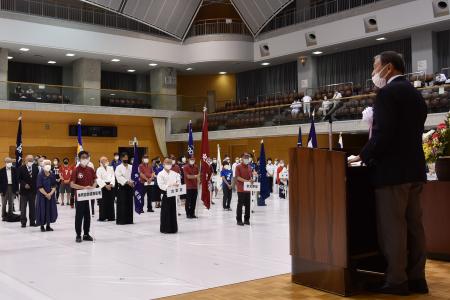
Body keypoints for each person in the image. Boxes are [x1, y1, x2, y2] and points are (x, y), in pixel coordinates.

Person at [348, 51, 428, 296]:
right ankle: (417, 279)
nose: (373, 73)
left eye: (375, 67)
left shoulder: (387, 93)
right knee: (415, 227)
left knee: (393, 229)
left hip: (392, 174)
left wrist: (362, 156)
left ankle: (396, 280)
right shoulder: (416, 94)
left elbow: (383, 134)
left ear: (389, 68)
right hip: (415, 170)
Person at [70, 151, 96, 243]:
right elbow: (72, 184)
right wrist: (84, 188)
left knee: (88, 216)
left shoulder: (91, 169)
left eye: (86, 157)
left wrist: (93, 186)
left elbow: (95, 180)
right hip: (80, 197)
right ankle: (78, 234)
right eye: (83, 157)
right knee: (79, 216)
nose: (85, 159)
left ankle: (86, 234)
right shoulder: (76, 170)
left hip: (89, 196)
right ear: (79, 159)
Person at [157, 158, 180, 234]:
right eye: (167, 163)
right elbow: (161, 185)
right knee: (165, 212)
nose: (168, 164)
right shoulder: (160, 174)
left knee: (173, 211)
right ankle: (165, 228)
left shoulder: (175, 173)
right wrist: (170, 185)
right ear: (163, 164)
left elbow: (178, 181)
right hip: (165, 194)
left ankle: (173, 228)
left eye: (170, 163)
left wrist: (177, 184)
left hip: (173, 195)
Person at [36, 160, 58, 232]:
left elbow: (54, 185)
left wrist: (50, 194)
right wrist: (46, 194)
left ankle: (48, 225)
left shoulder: (52, 175)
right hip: (42, 196)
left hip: (50, 196)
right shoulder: (40, 175)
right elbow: (39, 187)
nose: (48, 165)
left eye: (49, 164)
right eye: (46, 164)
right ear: (43, 165)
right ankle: (42, 226)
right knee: (42, 210)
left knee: (50, 209)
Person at [17, 155, 39, 227]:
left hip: (33, 191)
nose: (30, 161)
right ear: (25, 160)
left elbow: (37, 179)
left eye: (31, 160)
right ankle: (23, 222)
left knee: (32, 207)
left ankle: (32, 221)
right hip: (24, 192)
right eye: (29, 160)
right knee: (23, 208)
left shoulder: (35, 168)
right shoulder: (21, 168)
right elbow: (19, 179)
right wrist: (24, 184)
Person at [115, 153, 134, 225]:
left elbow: (134, 175)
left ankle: (129, 220)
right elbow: (118, 177)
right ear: (121, 159)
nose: (126, 159)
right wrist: (127, 182)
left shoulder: (131, 166)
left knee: (129, 203)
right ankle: (121, 220)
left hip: (130, 187)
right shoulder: (118, 167)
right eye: (124, 158)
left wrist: (132, 182)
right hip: (122, 187)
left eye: (127, 158)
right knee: (122, 204)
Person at [235, 153, 253, 226]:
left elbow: (250, 177)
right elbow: (237, 177)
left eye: (247, 157)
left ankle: (246, 219)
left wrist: (251, 180)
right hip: (241, 189)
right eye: (245, 157)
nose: (246, 159)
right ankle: (239, 220)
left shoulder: (249, 167)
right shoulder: (238, 167)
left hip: (248, 189)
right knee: (240, 205)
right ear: (242, 158)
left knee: (248, 205)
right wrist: (247, 181)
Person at [96, 156, 116, 222]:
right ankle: (102, 217)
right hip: (103, 187)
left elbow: (113, 176)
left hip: (110, 186)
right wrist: (105, 185)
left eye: (107, 160)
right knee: (103, 202)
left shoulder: (111, 168)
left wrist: (111, 184)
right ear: (101, 162)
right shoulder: (99, 169)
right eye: (104, 160)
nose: (106, 161)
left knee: (111, 202)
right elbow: (98, 179)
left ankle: (111, 217)